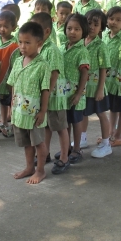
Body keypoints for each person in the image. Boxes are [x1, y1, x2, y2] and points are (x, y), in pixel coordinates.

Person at [7, 21, 51, 184]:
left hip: (34, 114)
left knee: (39, 143)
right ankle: (29, 167)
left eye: (27, 42)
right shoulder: (18, 61)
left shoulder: (42, 66)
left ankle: (40, 171)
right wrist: (12, 106)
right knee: (27, 143)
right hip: (20, 112)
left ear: (38, 43)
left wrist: (43, 111)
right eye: (20, 42)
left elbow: (45, 90)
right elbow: (13, 84)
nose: (22, 46)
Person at [30, 12, 70, 174]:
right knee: (46, 126)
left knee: (60, 127)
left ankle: (64, 158)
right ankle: (44, 154)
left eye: (37, 29)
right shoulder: (38, 47)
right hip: (44, 96)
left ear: (47, 31)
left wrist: (47, 92)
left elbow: (54, 73)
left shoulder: (52, 49)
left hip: (55, 97)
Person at [83, 9, 112, 158]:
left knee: (101, 114)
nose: (92, 27)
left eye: (96, 24)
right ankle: (82, 139)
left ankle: (106, 144)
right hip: (83, 88)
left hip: (95, 88)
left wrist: (100, 89)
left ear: (101, 27)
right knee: (83, 113)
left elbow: (103, 68)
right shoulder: (81, 42)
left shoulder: (101, 45)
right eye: (89, 23)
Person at [61, 13, 90, 165]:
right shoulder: (63, 47)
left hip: (75, 95)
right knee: (66, 122)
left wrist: (78, 94)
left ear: (83, 31)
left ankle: (77, 149)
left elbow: (85, 74)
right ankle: (66, 148)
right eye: (69, 28)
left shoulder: (82, 51)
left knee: (76, 122)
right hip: (63, 95)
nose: (72, 32)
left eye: (77, 29)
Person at [103, 6, 121, 147]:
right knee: (113, 108)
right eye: (111, 18)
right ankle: (110, 133)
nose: (114, 22)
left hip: (118, 81)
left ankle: (119, 135)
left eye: (118, 20)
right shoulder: (105, 35)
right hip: (108, 80)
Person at [0, 11, 19, 137]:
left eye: (5, 26)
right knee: (2, 103)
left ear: (13, 27)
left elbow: (16, 66)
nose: (2, 29)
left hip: (8, 81)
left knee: (12, 104)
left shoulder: (15, 45)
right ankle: (3, 123)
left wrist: (12, 82)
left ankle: (14, 126)